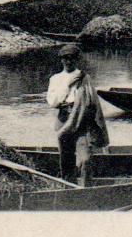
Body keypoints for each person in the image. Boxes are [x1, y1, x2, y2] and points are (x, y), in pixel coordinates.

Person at [45, 44, 109, 186]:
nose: (69, 61)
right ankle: (68, 188)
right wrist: (67, 86)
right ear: (61, 60)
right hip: (63, 121)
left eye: (72, 58)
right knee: (66, 160)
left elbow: (92, 101)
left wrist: (94, 124)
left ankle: (87, 188)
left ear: (77, 60)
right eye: (66, 58)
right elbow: (53, 102)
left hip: (81, 121)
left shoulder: (84, 77)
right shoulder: (55, 79)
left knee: (86, 159)